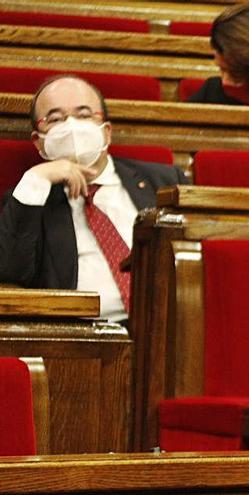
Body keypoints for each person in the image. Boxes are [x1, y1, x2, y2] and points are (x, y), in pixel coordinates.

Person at [0, 75, 188, 323]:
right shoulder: (30, 199)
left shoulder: (163, 181)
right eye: (55, 119)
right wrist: (36, 179)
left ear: (106, 132)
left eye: (84, 115)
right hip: (84, 339)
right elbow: (11, 273)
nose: (72, 126)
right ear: (39, 142)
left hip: (168, 326)